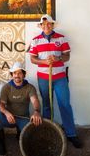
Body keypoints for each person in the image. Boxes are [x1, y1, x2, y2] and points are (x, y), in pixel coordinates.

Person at [29, 14, 82, 148]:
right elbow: (33, 59)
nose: (46, 26)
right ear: (40, 26)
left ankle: (71, 134)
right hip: (43, 78)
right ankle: (48, 132)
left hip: (59, 78)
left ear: (52, 25)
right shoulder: (35, 40)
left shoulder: (61, 38)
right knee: (47, 105)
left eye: (49, 24)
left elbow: (67, 56)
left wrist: (57, 59)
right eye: (43, 24)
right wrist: (44, 61)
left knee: (65, 104)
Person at [0, 62, 42, 155]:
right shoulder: (6, 87)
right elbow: (1, 105)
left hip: (23, 118)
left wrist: (36, 111)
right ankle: (1, 142)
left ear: (23, 74)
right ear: (12, 75)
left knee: (30, 134)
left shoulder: (30, 87)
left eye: (19, 73)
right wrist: (6, 113)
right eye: (14, 73)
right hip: (8, 117)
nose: (17, 75)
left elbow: (35, 101)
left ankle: (20, 133)